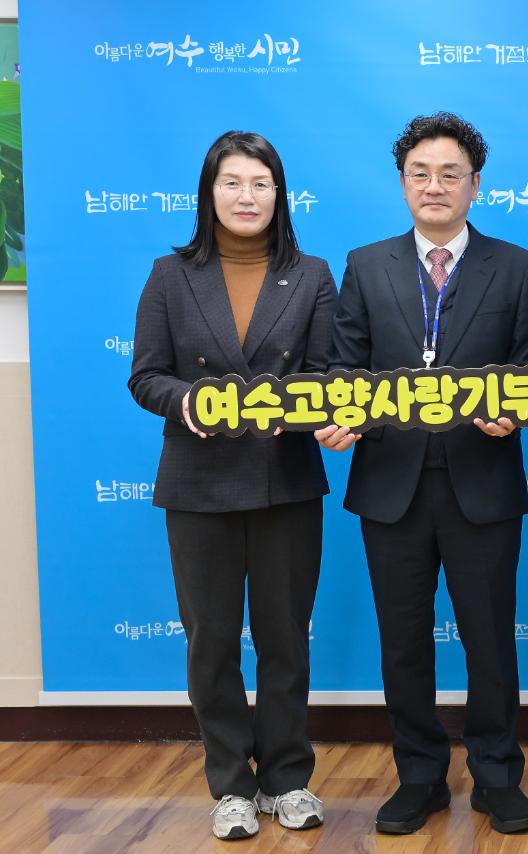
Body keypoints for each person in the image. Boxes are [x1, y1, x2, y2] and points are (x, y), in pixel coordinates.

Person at [319, 112, 528, 835]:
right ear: (402, 183)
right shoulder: (366, 264)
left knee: (490, 640)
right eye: (420, 173)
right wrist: (342, 416)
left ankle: (496, 775)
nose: (435, 186)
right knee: (403, 641)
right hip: (392, 485)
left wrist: (519, 412)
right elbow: (345, 367)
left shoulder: (517, 266)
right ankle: (419, 776)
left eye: (451, 174)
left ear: (476, 184)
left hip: (483, 483)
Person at [128, 131, 335, 840]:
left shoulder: (312, 274)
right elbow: (146, 376)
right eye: (232, 183)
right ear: (208, 192)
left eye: (260, 184)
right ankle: (231, 786)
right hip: (199, 483)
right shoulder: (169, 275)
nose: (247, 197)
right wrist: (185, 400)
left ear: (280, 195)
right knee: (210, 642)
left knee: (286, 639)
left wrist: (307, 408)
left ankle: (287, 778)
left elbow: (328, 374)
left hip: (286, 481)